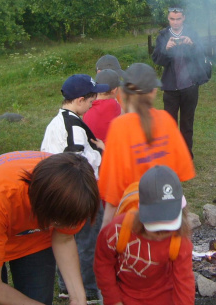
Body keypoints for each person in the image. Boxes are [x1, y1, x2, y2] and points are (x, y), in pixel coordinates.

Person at [0, 151, 100, 305]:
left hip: (33, 239)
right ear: (38, 203)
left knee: (38, 295)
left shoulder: (78, 193)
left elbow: (64, 239)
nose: (62, 227)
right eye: (56, 222)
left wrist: (78, 299)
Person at [99, 63, 196, 228]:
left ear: (123, 93)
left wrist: (104, 231)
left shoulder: (119, 128)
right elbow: (180, 175)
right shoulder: (166, 120)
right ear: (154, 92)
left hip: (135, 222)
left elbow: (113, 196)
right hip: (170, 217)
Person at [41, 74, 109, 303]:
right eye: (92, 98)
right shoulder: (73, 129)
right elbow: (78, 164)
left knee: (66, 236)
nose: (94, 103)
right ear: (80, 100)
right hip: (78, 194)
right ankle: (88, 291)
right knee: (87, 242)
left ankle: (65, 286)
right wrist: (101, 152)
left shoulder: (60, 121)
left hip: (60, 193)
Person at [94, 165, 195, 305]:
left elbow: (184, 282)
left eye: (167, 229)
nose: (160, 236)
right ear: (142, 214)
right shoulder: (118, 230)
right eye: (155, 229)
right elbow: (103, 263)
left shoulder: (180, 241)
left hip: (163, 297)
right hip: (124, 295)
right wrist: (113, 299)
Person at [151, 7, 210, 157]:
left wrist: (192, 45)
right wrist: (167, 49)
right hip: (171, 88)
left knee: (187, 123)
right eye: (172, 19)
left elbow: (202, 54)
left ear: (183, 18)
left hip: (190, 86)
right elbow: (157, 59)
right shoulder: (163, 36)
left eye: (178, 19)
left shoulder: (192, 33)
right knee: (169, 124)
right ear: (168, 19)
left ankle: (186, 156)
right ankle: (170, 156)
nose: (175, 22)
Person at [84, 69, 123, 142]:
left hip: (91, 146)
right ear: (114, 90)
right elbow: (125, 117)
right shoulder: (113, 105)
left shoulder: (88, 105)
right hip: (106, 149)